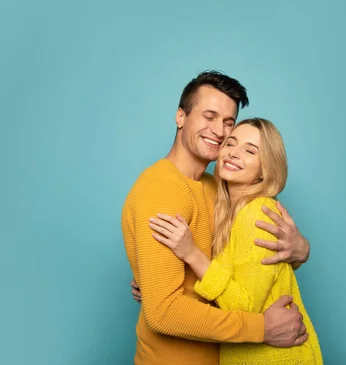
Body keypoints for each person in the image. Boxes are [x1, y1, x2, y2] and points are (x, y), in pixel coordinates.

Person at [121, 71, 311, 365]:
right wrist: (263, 328)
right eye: (209, 116)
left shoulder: (217, 189)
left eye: (228, 122)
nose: (219, 132)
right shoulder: (163, 189)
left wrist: (300, 251)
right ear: (180, 117)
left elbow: (243, 260)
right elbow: (164, 313)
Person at [149, 118, 323, 364]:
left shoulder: (256, 214)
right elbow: (233, 278)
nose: (233, 153)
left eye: (250, 150)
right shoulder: (228, 213)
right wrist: (159, 277)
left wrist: (190, 253)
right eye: (230, 143)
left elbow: (245, 309)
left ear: (266, 169)